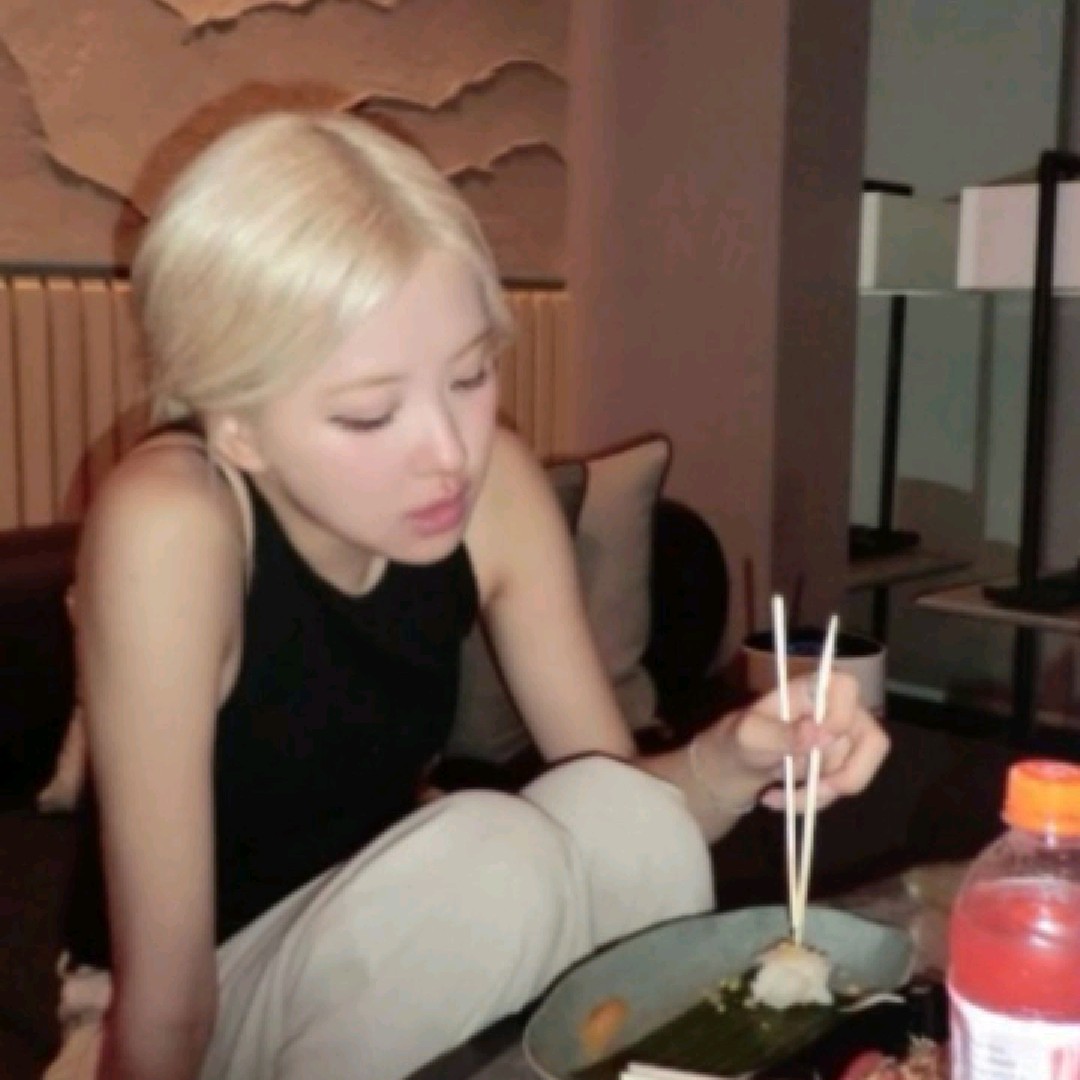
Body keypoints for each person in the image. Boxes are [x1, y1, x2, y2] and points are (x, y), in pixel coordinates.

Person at [44, 111, 889, 1080]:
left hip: (382, 959)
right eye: (371, 413)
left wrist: (735, 757)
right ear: (236, 427)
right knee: (492, 856)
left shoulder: (497, 490)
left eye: (471, 374)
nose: (449, 453)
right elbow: (168, 1001)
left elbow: (616, 817)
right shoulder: (171, 527)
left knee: (633, 828)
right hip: (164, 1017)